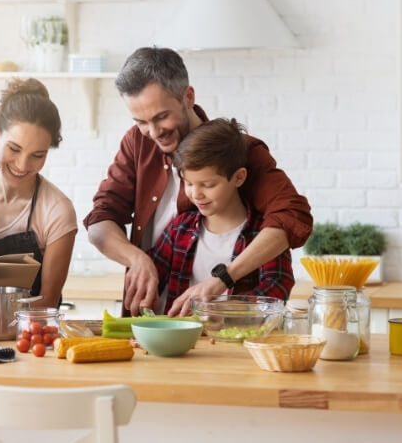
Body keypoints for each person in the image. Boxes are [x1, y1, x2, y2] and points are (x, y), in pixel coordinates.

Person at [84, 47, 312, 316]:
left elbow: (292, 216)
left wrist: (223, 280)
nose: (153, 132)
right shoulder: (137, 142)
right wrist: (136, 259)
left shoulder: (238, 151)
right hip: (156, 320)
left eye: (161, 117)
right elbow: (100, 220)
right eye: (141, 121)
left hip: (225, 328)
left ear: (188, 97)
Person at [0, 78, 78, 308]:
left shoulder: (57, 210)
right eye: (14, 149)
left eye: (37, 155)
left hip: (29, 336)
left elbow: (48, 302)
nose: (22, 165)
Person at [151, 118, 294, 316]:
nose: (196, 194)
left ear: (239, 177)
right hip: (180, 341)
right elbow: (153, 276)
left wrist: (220, 310)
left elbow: (277, 288)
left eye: (208, 185)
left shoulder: (263, 235)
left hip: (238, 341)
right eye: (188, 183)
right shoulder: (179, 229)